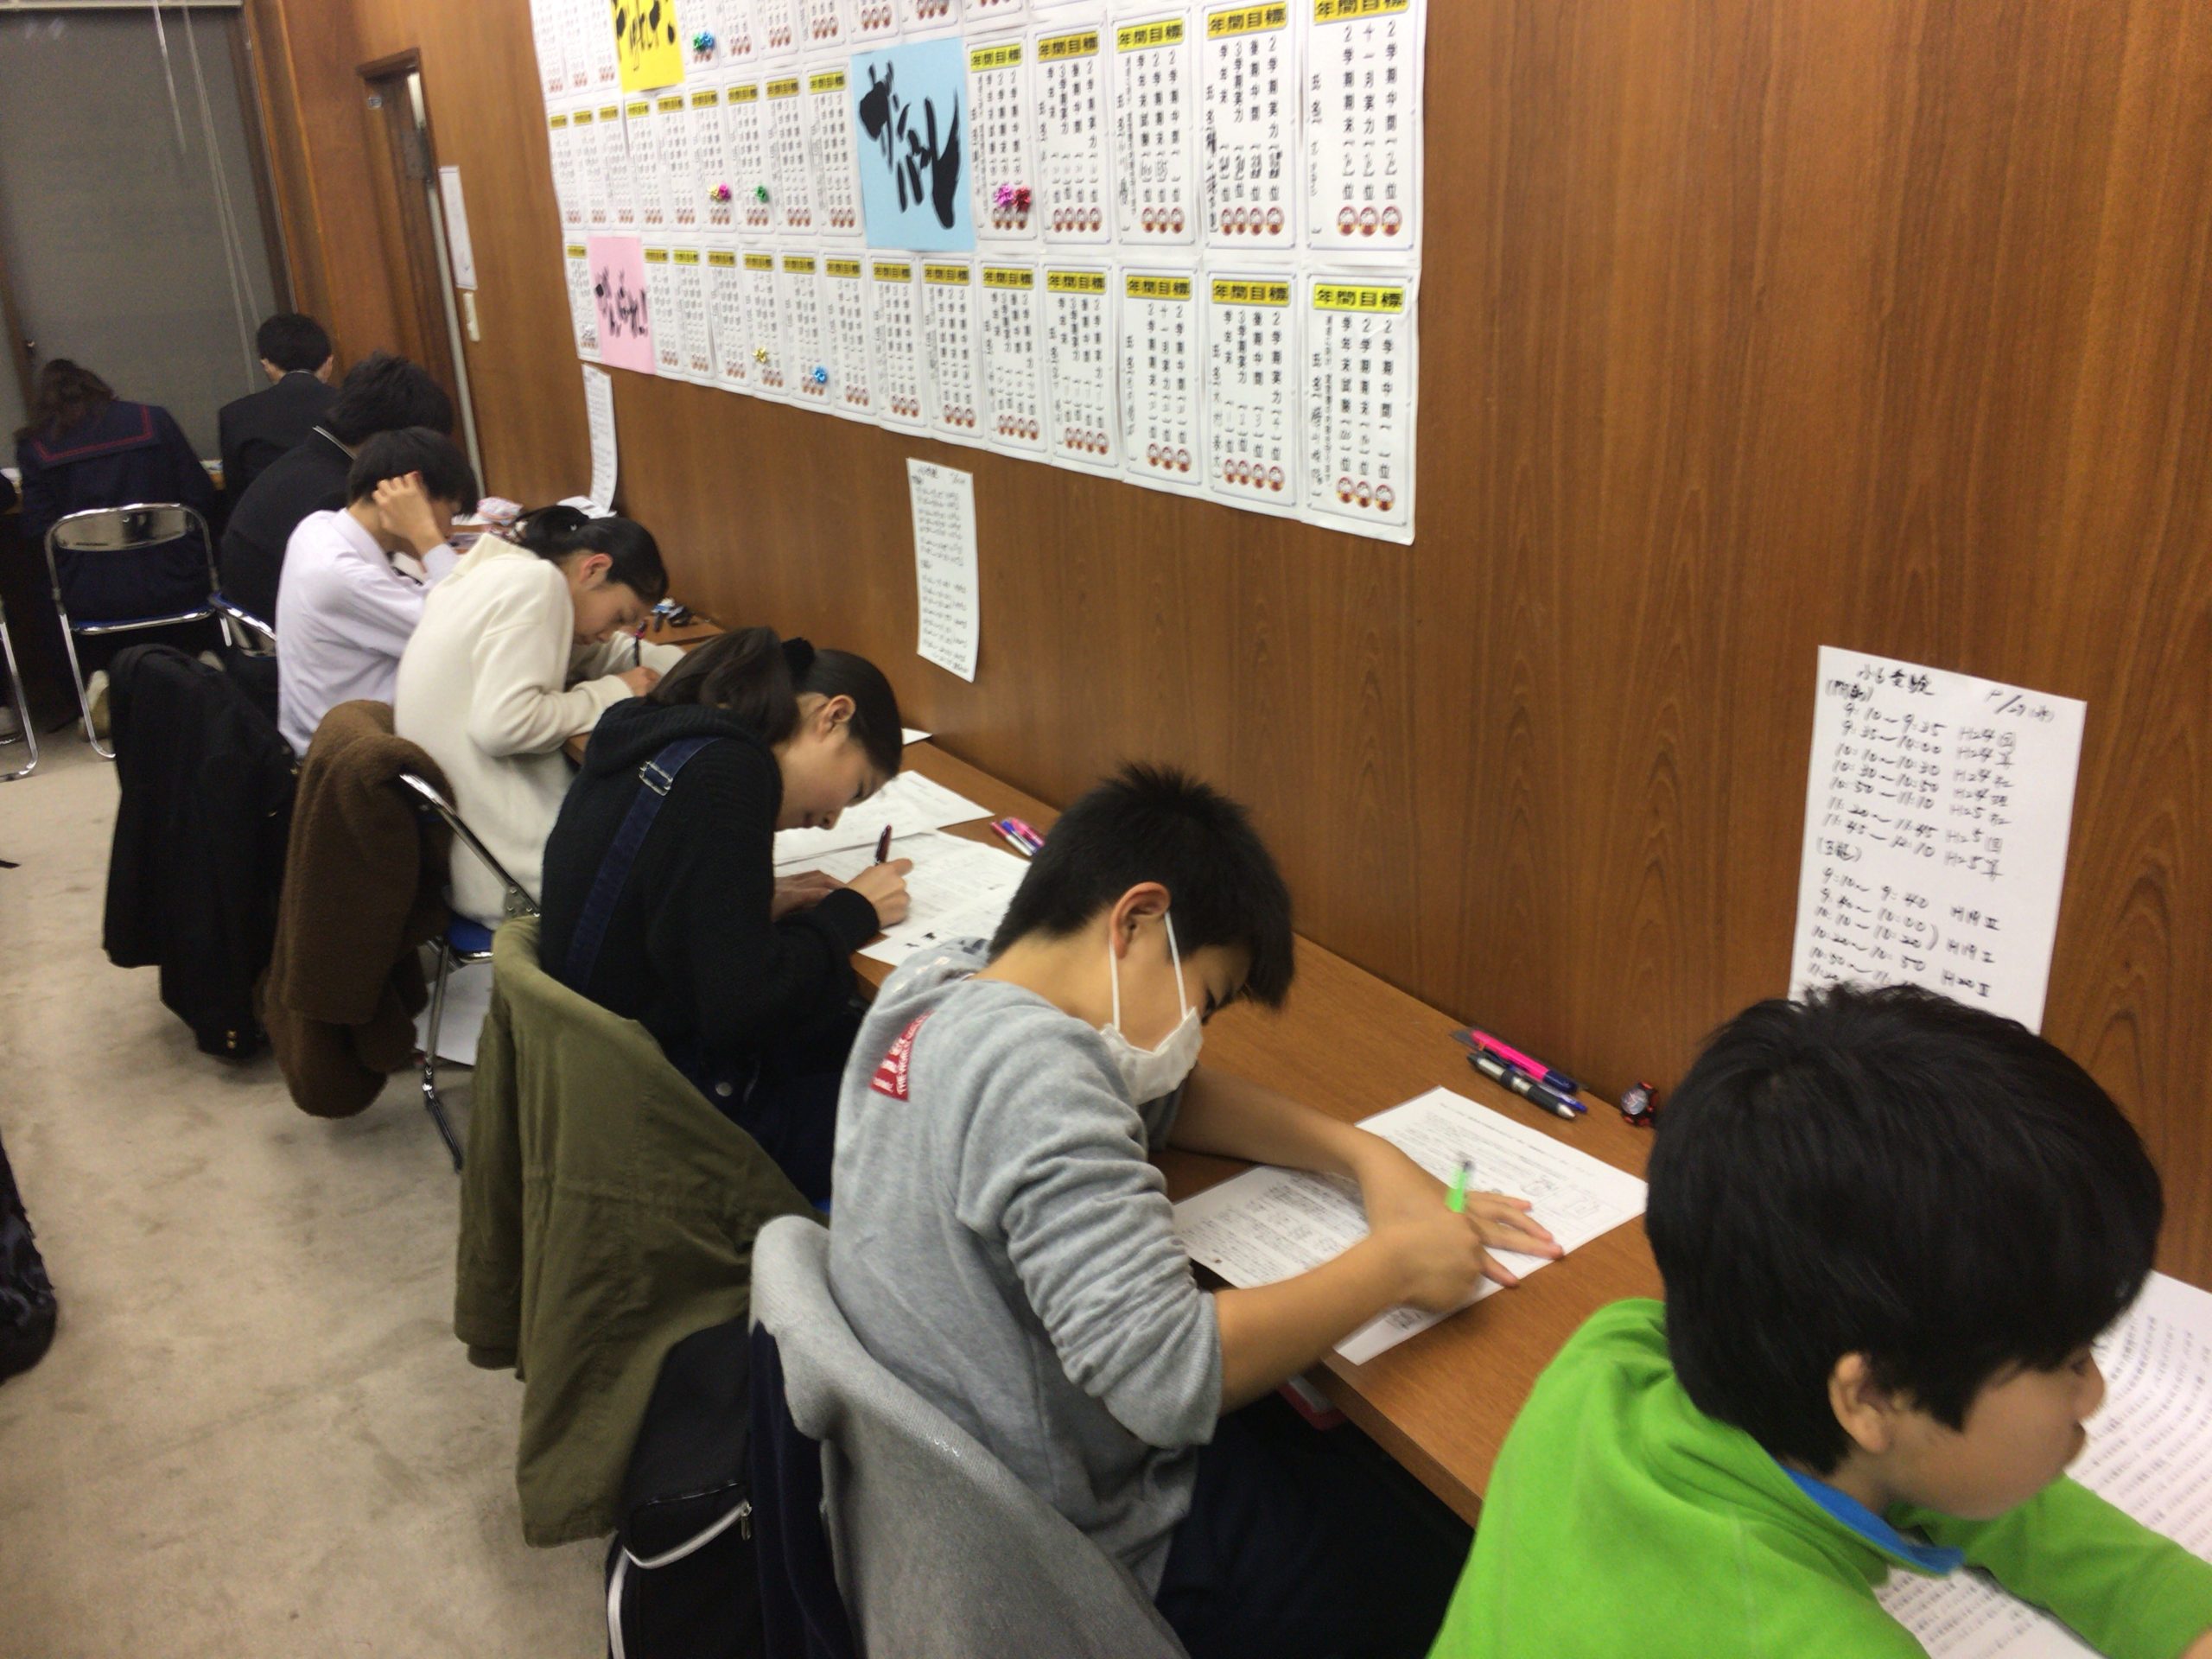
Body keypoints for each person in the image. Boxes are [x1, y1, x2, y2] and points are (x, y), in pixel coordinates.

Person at [828, 764, 1558, 1659]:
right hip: (1072, 1546)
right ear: (1136, 919)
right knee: (1428, 1557)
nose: (1191, 1039)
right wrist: (1398, 1263)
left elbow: (1163, 1098)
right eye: (1203, 1001)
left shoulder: (939, 983)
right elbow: (1166, 1377)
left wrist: (1365, 1155)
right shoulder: (1040, 1078)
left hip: (940, 1496)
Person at [1425, 983, 2212, 1659]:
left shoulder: (1614, 1354)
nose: (2096, 1395)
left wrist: (2167, 1604)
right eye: (2072, 1360)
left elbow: (1933, 1459)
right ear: (1870, 1397)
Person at [537, 627, 911, 1204]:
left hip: (596, 1076)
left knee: (868, 1037)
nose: (833, 819)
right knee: (924, 1098)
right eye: (855, 789)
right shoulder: (729, 775)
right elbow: (746, 1008)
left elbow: (654, 894)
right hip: (673, 1120)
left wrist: (746, 900)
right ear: (833, 717)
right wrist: (852, 913)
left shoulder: (660, 731)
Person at [394, 505, 682, 925]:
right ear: (594, 569)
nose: (610, 633)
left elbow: (600, 652)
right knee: (687, 858)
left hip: (471, 864)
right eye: (620, 617)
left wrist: (691, 670)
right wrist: (614, 691)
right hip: (520, 875)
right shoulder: (537, 584)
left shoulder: (498, 573)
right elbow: (505, 726)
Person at [273, 426, 476, 755]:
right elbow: (470, 633)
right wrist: (426, 536)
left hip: (347, 731)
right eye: (451, 513)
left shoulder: (317, 527)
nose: (450, 532)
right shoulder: (343, 577)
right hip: (362, 756)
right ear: (414, 493)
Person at [219, 351, 453, 627]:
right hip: (291, 634)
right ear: (391, 438)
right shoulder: (336, 497)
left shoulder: (307, 462)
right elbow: (447, 617)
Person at [15, 359, 219, 626]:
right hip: (178, 578)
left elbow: (38, 532)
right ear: (101, 391)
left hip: (90, 593)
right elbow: (202, 497)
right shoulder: (153, 420)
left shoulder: (36, 447)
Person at [216, 314, 336, 505]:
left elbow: (237, 497)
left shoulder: (235, 415)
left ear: (266, 365)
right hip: (346, 517)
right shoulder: (357, 406)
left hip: (269, 519)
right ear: (329, 362)